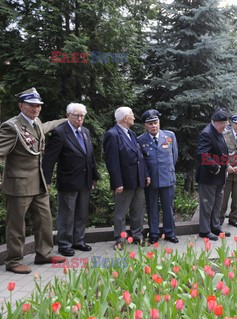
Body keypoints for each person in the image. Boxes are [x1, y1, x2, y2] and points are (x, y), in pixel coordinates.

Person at [0, 87, 67, 274]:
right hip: (18, 184)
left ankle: (43, 254)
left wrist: (65, 120)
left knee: (45, 219)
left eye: (38, 105)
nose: (36, 109)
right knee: (16, 224)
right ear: (21, 105)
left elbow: (45, 127)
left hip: (38, 181)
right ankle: (13, 260)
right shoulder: (11, 126)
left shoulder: (36, 122)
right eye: (31, 105)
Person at [43, 103, 100, 257]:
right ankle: (64, 244)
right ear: (68, 115)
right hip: (68, 180)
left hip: (85, 180)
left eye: (82, 116)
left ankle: (78, 241)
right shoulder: (60, 132)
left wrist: (94, 176)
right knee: (67, 214)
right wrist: (46, 180)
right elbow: (49, 159)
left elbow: (90, 157)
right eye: (76, 115)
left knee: (81, 213)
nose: (80, 119)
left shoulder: (86, 132)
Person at [103, 107, 150, 250]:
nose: (134, 118)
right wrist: (117, 182)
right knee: (121, 212)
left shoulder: (131, 133)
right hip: (124, 181)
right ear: (125, 118)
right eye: (132, 116)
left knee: (138, 210)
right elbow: (112, 162)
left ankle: (137, 235)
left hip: (138, 179)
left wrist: (146, 174)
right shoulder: (112, 134)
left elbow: (140, 157)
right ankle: (120, 238)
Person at [138, 110, 179, 244]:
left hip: (167, 178)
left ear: (159, 123)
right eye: (150, 124)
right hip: (151, 180)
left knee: (168, 207)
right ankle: (154, 233)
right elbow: (142, 162)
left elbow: (174, 156)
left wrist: (168, 171)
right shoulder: (140, 140)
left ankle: (170, 233)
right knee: (152, 208)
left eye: (155, 122)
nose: (153, 126)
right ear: (145, 126)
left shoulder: (170, 136)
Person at [196, 109, 232, 241]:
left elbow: (221, 151)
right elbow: (202, 154)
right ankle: (205, 231)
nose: (225, 126)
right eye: (224, 124)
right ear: (216, 122)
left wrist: (225, 165)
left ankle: (215, 227)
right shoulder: (207, 133)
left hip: (219, 176)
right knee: (207, 205)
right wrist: (215, 167)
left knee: (217, 204)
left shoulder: (218, 131)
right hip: (209, 176)